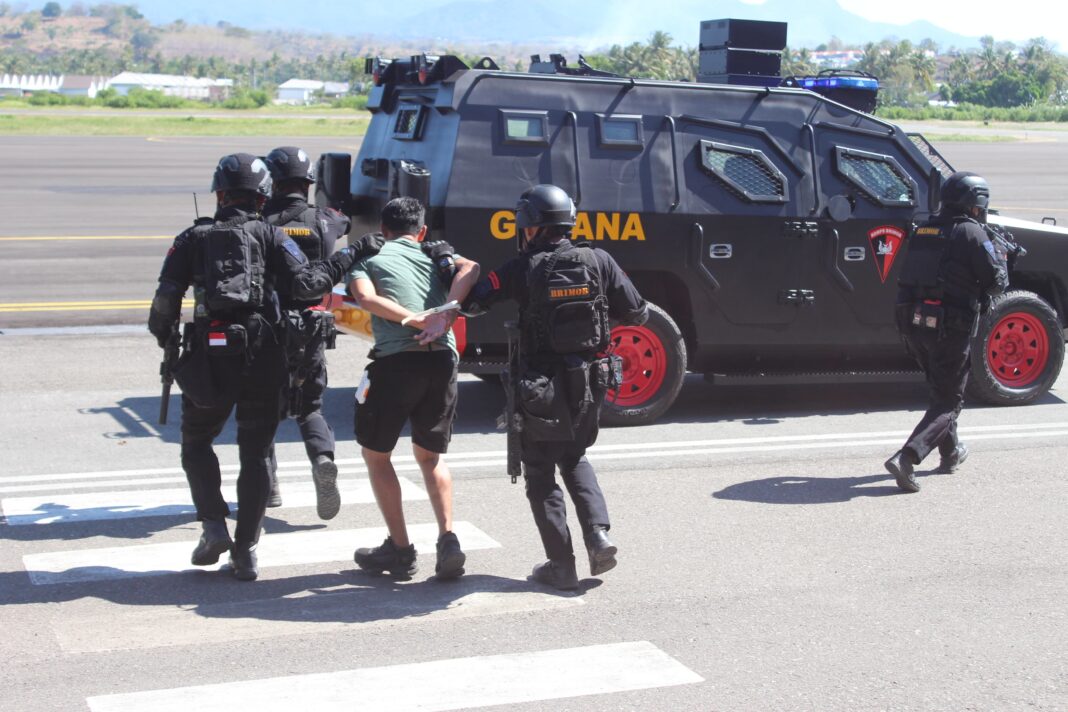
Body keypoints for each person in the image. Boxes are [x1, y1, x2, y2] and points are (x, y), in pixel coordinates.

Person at [148, 153, 380, 581]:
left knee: (196, 442)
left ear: (219, 193)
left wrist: (172, 345)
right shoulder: (273, 236)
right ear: (259, 198)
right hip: (263, 358)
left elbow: (163, 306)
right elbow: (309, 283)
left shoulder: (189, 238)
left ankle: (213, 526)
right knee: (255, 454)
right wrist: (353, 255)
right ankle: (246, 551)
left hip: (208, 359)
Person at [462, 184, 648, 590]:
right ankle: (598, 535)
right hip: (591, 382)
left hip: (539, 388)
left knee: (541, 471)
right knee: (575, 455)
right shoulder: (599, 259)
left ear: (529, 226)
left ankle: (561, 565)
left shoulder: (521, 269)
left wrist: (456, 268)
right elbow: (638, 311)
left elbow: (474, 303)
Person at [346, 196, 480, 580]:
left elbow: (365, 297)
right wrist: (444, 313)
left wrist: (414, 320)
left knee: (377, 455)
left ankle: (401, 550)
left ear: (382, 232)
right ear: (421, 231)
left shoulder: (369, 257)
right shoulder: (433, 257)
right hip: (442, 362)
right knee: (431, 458)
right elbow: (470, 268)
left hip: (395, 362)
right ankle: (448, 538)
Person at [885, 171, 1009, 493]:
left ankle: (950, 453)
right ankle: (908, 456)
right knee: (950, 401)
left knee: (942, 389)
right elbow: (996, 282)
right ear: (976, 203)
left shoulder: (925, 228)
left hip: (914, 325)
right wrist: (1002, 257)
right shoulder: (971, 232)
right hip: (950, 327)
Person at [261, 146, 350, 520]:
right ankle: (322, 459)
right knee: (310, 407)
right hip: (312, 330)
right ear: (308, 182)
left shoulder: (260, 220)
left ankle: (268, 487)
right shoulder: (327, 220)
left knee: (261, 410)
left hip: (268, 329)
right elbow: (345, 221)